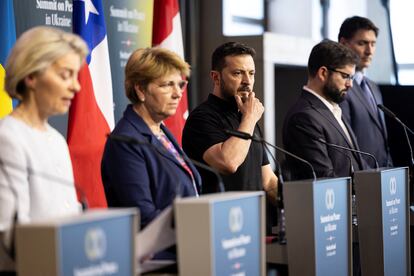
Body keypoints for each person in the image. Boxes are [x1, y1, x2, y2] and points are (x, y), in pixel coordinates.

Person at [0, 26, 88, 273]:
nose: (76, 87)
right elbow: (9, 236)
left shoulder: (56, 139)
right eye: (65, 75)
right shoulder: (8, 137)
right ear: (31, 76)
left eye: (75, 76)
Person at [101, 47, 201, 232]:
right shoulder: (126, 142)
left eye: (180, 85)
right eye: (166, 85)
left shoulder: (161, 131)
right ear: (140, 90)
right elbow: (144, 216)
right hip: (158, 256)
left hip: (187, 247)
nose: (178, 93)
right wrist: (196, 229)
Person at [182, 42, 278, 203]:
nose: (247, 81)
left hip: (257, 220)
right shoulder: (202, 118)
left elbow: (267, 181)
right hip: (224, 222)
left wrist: (297, 204)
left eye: (252, 73)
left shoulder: (247, 116)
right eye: (238, 73)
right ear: (216, 77)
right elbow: (228, 163)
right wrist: (249, 119)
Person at [283, 40, 366, 180]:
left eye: (351, 77)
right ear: (323, 73)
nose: (350, 84)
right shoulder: (303, 117)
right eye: (345, 76)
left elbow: (358, 165)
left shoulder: (333, 108)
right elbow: (324, 177)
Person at [339, 16, 392, 168]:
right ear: (343, 43)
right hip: (363, 180)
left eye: (373, 44)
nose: (369, 51)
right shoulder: (340, 87)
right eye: (362, 43)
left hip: (384, 176)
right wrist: (370, 177)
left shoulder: (373, 87)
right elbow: (346, 145)